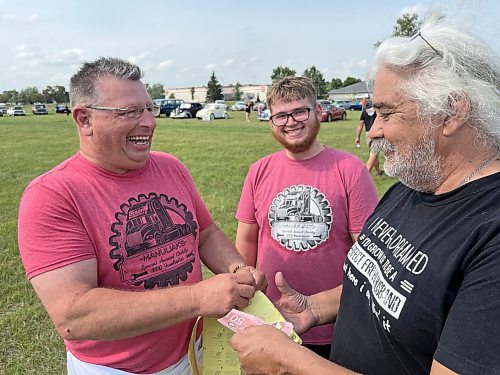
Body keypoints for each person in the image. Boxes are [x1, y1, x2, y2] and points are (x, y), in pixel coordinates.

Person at [231, 17, 500, 374]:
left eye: (387, 112)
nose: (374, 129)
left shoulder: (491, 236)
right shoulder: (410, 188)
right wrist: (315, 308)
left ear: (451, 111)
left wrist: (288, 361)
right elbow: (382, 290)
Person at [17, 57, 266, 375]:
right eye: (131, 112)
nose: (149, 122)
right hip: (119, 368)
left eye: (149, 109)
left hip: (195, 352)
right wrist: (197, 298)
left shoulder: (171, 167)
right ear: (84, 119)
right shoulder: (52, 195)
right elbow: (74, 315)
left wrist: (237, 267)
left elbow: (204, 232)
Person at [235, 76, 379, 358]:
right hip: (273, 322)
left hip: (337, 325)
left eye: (300, 111)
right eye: (281, 115)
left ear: (318, 112)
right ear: (271, 122)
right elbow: (246, 244)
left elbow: (369, 257)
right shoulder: (258, 171)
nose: (291, 122)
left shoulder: (349, 170)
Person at [355, 103, 383, 175]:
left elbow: (360, 125)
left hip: (368, 135)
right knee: (373, 155)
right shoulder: (377, 111)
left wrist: (358, 137)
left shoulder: (364, 112)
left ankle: (376, 172)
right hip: (376, 134)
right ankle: (366, 175)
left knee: (373, 154)